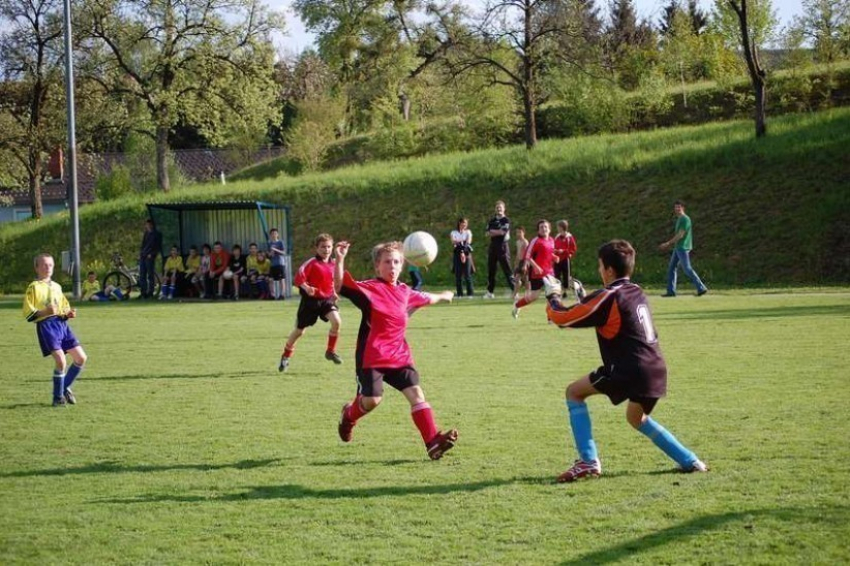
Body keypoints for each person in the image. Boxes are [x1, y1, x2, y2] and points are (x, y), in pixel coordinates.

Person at [545, 239, 708, 482]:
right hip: (656, 368)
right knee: (636, 418)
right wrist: (585, 298)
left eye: (600, 266)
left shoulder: (608, 296)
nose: (599, 270)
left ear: (609, 270)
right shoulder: (636, 291)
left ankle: (588, 462)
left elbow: (562, 318)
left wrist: (553, 297)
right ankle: (690, 460)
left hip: (628, 368)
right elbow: (611, 314)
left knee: (574, 393)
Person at [334, 240, 458, 460]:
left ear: (402, 266)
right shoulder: (369, 289)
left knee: (416, 394)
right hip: (372, 356)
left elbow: (426, 298)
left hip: (399, 355)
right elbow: (340, 285)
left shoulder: (404, 290)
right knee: (372, 400)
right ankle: (348, 416)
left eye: (396, 262)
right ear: (377, 267)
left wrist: (444, 296)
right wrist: (340, 259)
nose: (392, 266)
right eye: (387, 262)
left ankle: (432, 442)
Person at [23, 253, 88, 406]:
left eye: (51, 265)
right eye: (44, 265)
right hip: (47, 326)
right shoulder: (33, 287)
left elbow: (63, 308)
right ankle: (57, 398)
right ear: (36, 267)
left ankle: (63, 387)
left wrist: (68, 314)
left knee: (81, 358)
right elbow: (28, 313)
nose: (48, 268)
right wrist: (45, 312)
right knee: (61, 361)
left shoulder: (57, 286)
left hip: (62, 325)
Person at [279, 234, 343, 372]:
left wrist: (334, 293)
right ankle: (286, 355)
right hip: (310, 302)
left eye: (328, 247)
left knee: (336, 321)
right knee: (299, 331)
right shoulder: (311, 263)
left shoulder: (333, 264)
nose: (326, 249)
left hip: (326, 300)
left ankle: (330, 351)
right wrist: (307, 288)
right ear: (316, 248)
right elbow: (298, 278)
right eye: (322, 247)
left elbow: (331, 281)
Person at [660, 200, 708, 297]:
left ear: (683, 208)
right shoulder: (679, 219)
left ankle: (701, 288)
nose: (677, 209)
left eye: (679, 207)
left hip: (683, 247)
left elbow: (681, 235)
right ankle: (671, 292)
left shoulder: (685, 219)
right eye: (676, 207)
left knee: (687, 269)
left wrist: (668, 243)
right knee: (672, 268)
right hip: (678, 247)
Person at [512, 219, 555, 319]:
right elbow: (527, 256)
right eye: (541, 227)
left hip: (549, 272)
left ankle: (550, 318)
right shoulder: (535, 241)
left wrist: (554, 257)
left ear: (549, 229)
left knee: (552, 294)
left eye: (546, 227)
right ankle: (517, 305)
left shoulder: (552, 240)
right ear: (538, 230)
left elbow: (548, 253)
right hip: (537, 273)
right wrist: (536, 267)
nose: (544, 229)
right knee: (533, 297)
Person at [484, 200, 515, 299]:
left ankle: (515, 291)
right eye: (497, 207)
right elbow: (487, 233)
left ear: (504, 208)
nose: (499, 209)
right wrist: (495, 232)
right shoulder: (492, 220)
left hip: (503, 246)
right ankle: (490, 292)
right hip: (493, 246)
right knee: (491, 269)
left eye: (500, 207)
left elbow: (502, 232)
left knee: (507, 269)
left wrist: (493, 231)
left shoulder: (506, 220)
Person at [553, 220, 578, 298]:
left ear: (562, 227)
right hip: (557, 259)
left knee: (566, 276)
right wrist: (555, 251)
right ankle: (558, 292)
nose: (557, 228)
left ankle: (566, 291)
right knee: (557, 276)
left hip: (565, 259)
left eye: (558, 226)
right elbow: (553, 246)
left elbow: (573, 248)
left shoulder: (569, 237)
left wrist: (564, 251)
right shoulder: (557, 237)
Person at [450, 217, 474, 298]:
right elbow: (453, 241)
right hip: (457, 254)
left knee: (467, 274)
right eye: (463, 223)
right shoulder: (454, 232)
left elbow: (468, 242)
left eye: (466, 224)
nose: (464, 225)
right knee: (458, 275)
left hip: (466, 254)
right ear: (459, 223)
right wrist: (461, 246)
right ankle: (459, 294)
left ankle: (470, 294)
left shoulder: (468, 232)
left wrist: (463, 251)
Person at [139, 218, 162, 299]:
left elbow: (158, 247)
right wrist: (141, 253)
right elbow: (143, 245)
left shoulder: (157, 234)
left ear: (152, 225)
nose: (147, 226)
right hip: (143, 255)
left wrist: (152, 254)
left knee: (150, 275)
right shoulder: (146, 233)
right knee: (142, 275)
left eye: (149, 224)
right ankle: (143, 293)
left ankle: (150, 292)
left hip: (150, 257)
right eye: (146, 224)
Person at [268, 228, 287, 300]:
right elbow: (269, 255)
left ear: (277, 234)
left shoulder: (280, 242)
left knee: (281, 279)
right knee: (271, 279)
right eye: (272, 234)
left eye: (275, 233)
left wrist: (275, 250)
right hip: (272, 264)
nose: (274, 235)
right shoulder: (269, 244)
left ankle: (282, 294)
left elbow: (284, 252)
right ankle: (272, 295)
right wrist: (271, 253)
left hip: (280, 263)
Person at [512, 226, 530, 301]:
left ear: (523, 233)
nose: (518, 234)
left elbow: (528, 254)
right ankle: (526, 294)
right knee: (523, 279)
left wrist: (525, 264)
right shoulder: (517, 242)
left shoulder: (525, 242)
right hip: (519, 262)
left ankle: (515, 295)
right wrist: (516, 263)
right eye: (517, 232)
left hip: (524, 262)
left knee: (520, 279)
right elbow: (518, 253)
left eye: (520, 232)